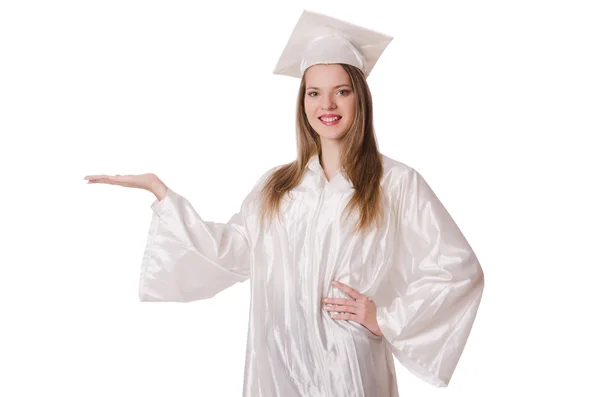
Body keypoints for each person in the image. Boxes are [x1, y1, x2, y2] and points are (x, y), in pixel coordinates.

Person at [84, 10, 484, 397]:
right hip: (278, 362)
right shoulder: (277, 187)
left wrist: (384, 318)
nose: (327, 105)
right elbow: (232, 252)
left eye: (341, 91)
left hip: (348, 363)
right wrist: (163, 196)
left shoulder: (394, 183)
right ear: (303, 102)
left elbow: (457, 268)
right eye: (315, 93)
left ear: (359, 98)